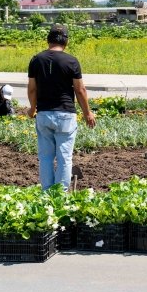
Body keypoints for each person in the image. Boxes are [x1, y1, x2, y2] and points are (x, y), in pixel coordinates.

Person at [27, 24, 96, 190]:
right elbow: (80, 90)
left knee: (45, 157)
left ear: (48, 40)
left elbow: (32, 88)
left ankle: (47, 194)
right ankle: (60, 196)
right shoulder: (71, 61)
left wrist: (32, 108)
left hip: (43, 114)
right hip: (65, 115)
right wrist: (88, 113)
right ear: (66, 41)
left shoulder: (36, 60)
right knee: (65, 157)